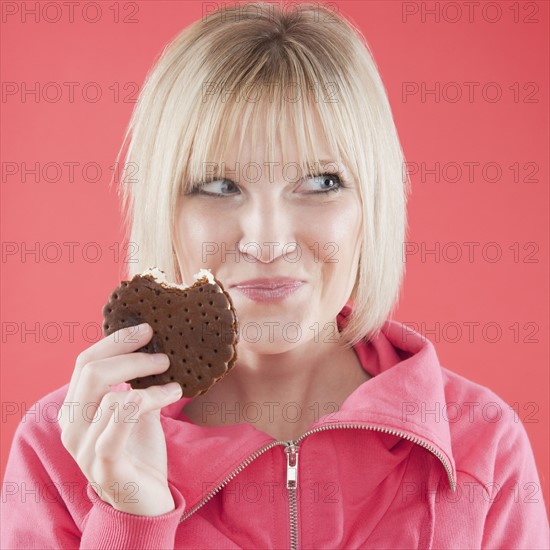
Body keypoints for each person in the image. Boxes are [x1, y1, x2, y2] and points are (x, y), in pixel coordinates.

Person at [1, 2, 548, 549]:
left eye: (321, 182)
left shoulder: (482, 443)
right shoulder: (59, 450)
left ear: (372, 204)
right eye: (218, 185)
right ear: (166, 209)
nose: (266, 242)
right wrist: (133, 523)